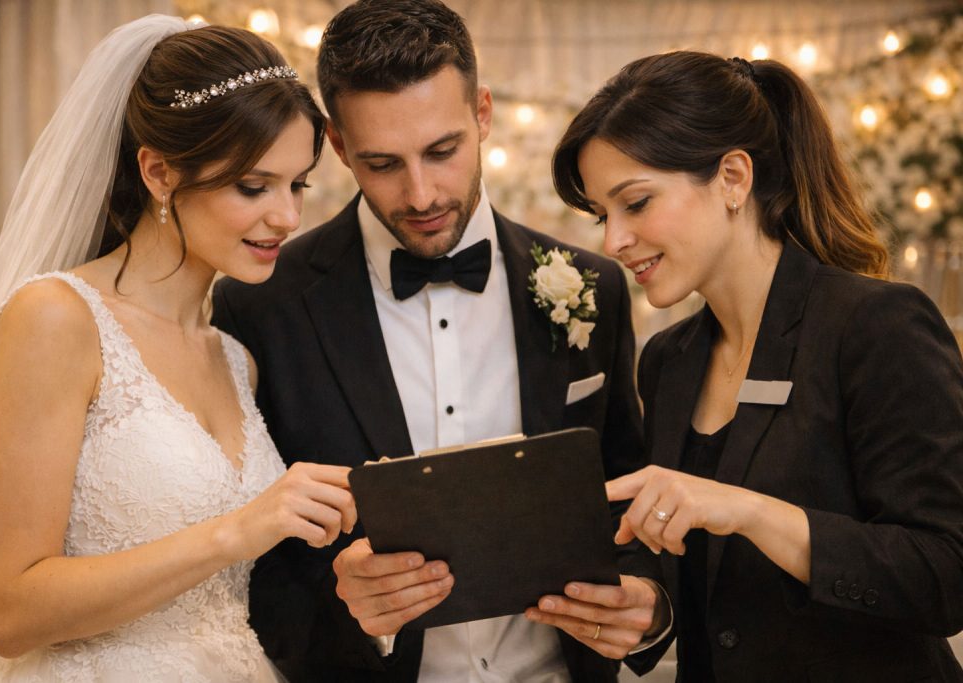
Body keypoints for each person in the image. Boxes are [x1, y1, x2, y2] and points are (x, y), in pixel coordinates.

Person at [210, 1, 669, 680]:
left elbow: (629, 491)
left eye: (443, 151)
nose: (421, 193)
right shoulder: (261, 304)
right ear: (337, 146)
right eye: (383, 163)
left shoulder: (593, 286)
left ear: (482, 113)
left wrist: (650, 606)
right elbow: (253, 564)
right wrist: (351, 608)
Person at [0, 14, 358, 682]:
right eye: (254, 186)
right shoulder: (56, 318)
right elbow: (9, 609)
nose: (287, 216)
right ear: (160, 172)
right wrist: (236, 530)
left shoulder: (233, 356)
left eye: (297, 183)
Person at [551, 50, 963, 681]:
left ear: (734, 178)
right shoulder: (668, 361)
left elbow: (945, 574)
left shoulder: (876, 326)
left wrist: (747, 510)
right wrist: (651, 608)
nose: (612, 242)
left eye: (635, 203)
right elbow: (702, 588)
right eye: (603, 215)